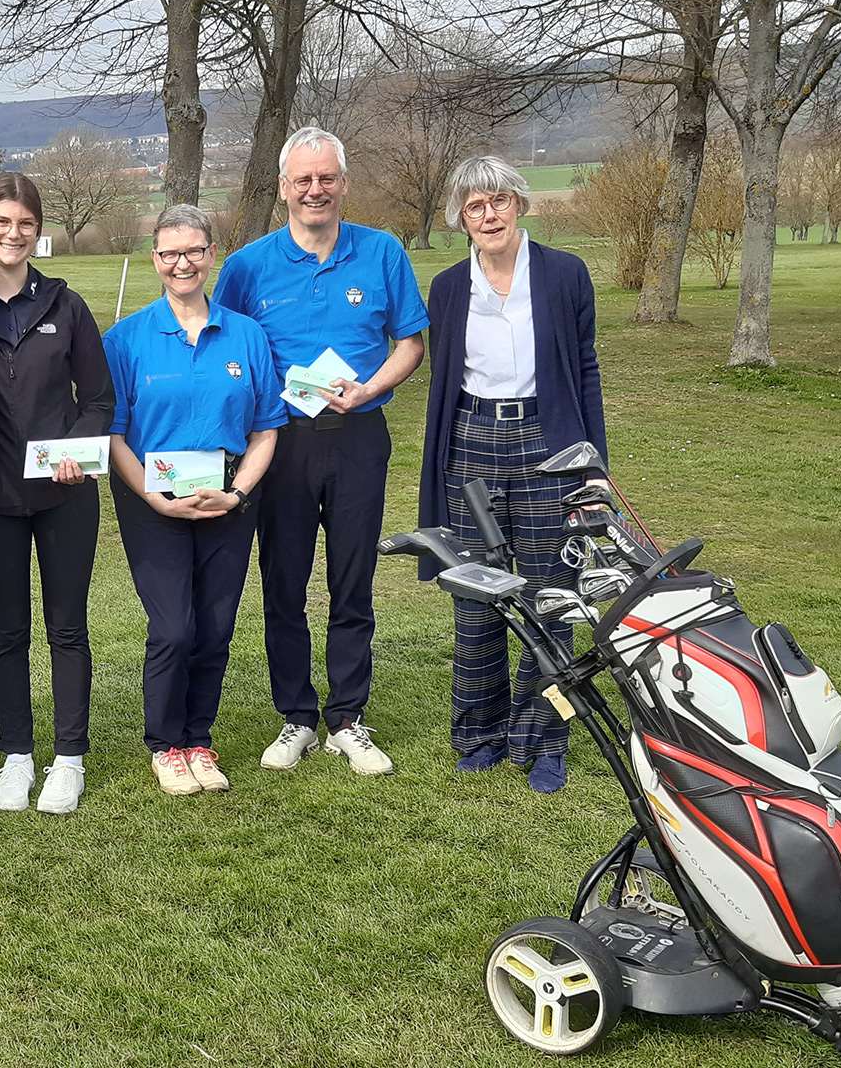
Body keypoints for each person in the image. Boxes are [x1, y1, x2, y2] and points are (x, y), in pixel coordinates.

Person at [214, 126, 428, 779]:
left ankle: (347, 719)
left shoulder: (383, 252)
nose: (315, 190)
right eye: (302, 180)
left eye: (326, 178)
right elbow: (224, 348)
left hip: (359, 438)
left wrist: (370, 387)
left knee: (352, 583)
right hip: (281, 444)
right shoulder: (248, 266)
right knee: (283, 584)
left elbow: (411, 343)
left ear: (343, 183)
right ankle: (296, 717)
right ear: (283, 187)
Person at [418, 154, 610, 794]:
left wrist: (594, 467)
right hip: (472, 444)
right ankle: (478, 731)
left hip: (546, 442)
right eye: (475, 205)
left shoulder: (564, 275)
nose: (489, 214)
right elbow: (443, 382)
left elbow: (585, 373)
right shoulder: (447, 289)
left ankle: (545, 740)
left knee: (550, 597)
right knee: (477, 597)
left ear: (519, 205)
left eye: (499, 200)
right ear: (462, 220)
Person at [105, 204, 285, 797]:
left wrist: (236, 495)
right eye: (169, 253)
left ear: (212, 255)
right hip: (151, 501)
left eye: (194, 251)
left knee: (214, 626)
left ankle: (198, 741)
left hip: (227, 499)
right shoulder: (126, 339)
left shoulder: (247, 334)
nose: (182, 262)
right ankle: (164, 743)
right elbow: (113, 435)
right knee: (174, 628)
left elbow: (265, 429)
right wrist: (153, 498)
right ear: (155, 259)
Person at [0, 172, 114, 815]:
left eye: (25, 223)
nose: (13, 233)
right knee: (7, 631)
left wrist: (78, 451)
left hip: (64, 495)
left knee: (67, 628)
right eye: (1, 222)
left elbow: (99, 400)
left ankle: (68, 759)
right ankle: (16, 755)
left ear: (37, 230)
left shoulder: (66, 306)